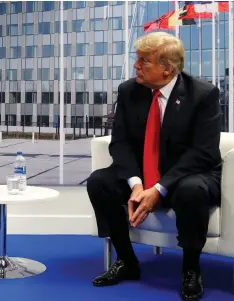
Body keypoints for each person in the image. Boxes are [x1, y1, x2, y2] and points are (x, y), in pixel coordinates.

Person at [87, 32, 222, 301]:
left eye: (143, 61)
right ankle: (127, 262)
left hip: (188, 174)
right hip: (143, 174)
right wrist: (136, 184)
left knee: (192, 190)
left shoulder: (203, 94)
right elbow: (121, 143)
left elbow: (202, 153)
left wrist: (158, 189)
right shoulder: (129, 90)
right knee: (99, 182)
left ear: (167, 68)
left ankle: (191, 269)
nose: (136, 66)